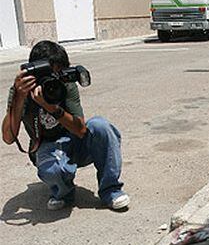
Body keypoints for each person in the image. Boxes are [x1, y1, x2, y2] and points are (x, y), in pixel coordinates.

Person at [2, 40, 129, 211]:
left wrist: (51, 108)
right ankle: (63, 192)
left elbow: (81, 129)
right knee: (51, 169)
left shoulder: (66, 82)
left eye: (57, 74)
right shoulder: (22, 89)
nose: (53, 81)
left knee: (101, 126)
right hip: (46, 146)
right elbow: (9, 137)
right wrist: (19, 97)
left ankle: (111, 190)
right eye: (47, 76)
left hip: (75, 141)